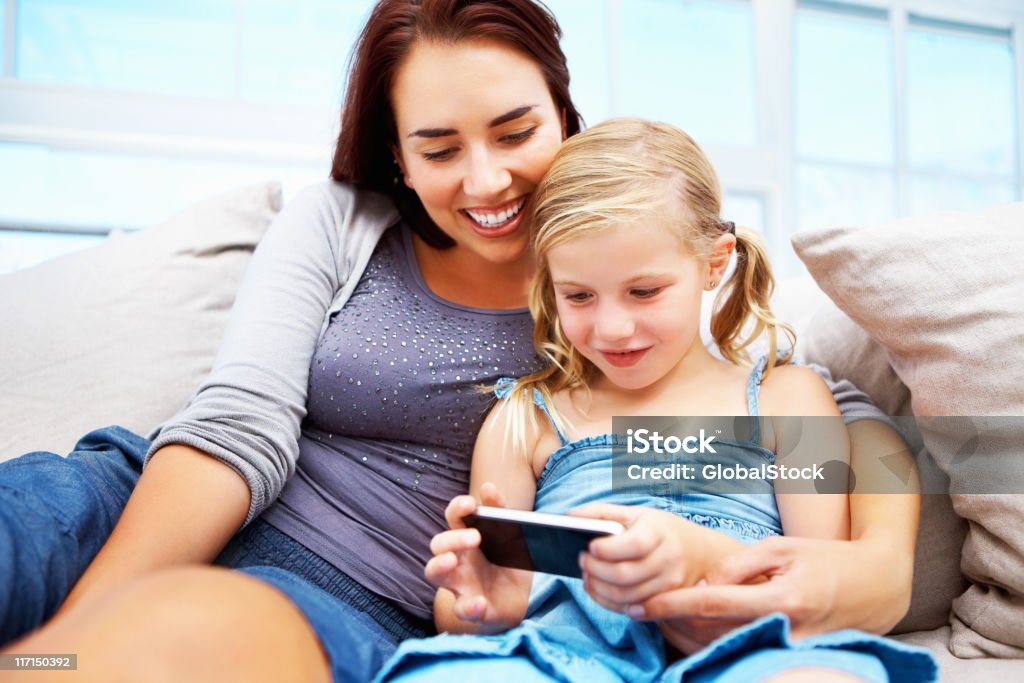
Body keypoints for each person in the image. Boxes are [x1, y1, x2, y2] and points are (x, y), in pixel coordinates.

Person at [0, 1, 918, 682]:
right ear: (397, 154)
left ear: (565, 114)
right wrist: (78, 630)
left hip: (339, 595)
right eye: (438, 149)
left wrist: (870, 565)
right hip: (138, 500)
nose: (486, 179)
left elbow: (824, 410)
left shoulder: (622, 263)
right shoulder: (341, 223)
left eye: (516, 130)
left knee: (169, 637)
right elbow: (239, 421)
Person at [375, 118, 936, 683]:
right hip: (563, 655)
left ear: (714, 263)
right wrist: (490, 603)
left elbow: (820, 581)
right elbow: (466, 605)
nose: (613, 328)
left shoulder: (786, 397)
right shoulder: (525, 418)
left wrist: (697, 556)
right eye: (579, 295)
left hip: (746, 649)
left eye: (644, 291)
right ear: (549, 283)